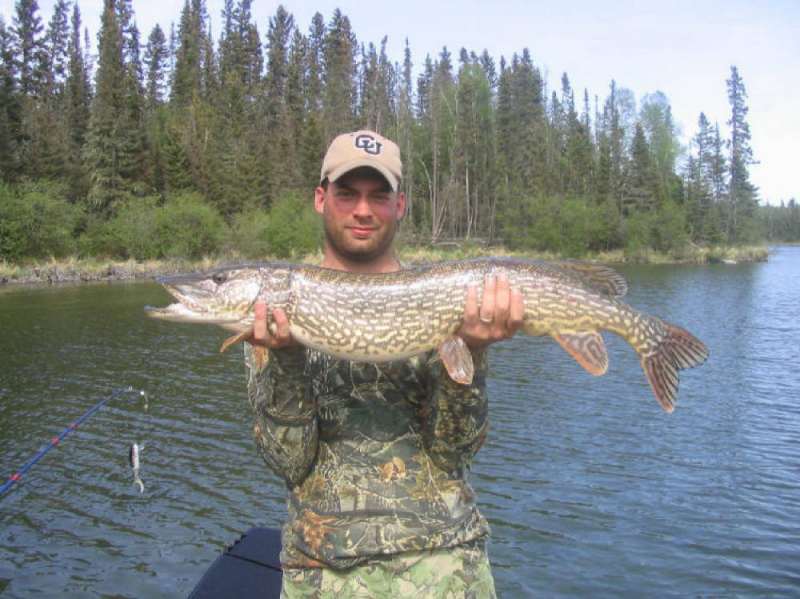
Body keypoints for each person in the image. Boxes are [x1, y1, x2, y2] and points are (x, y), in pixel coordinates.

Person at [244, 130, 524, 597]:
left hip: (447, 568)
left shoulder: (446, 298)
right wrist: (287, 358)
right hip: (324, 575)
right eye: (347, 193)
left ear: (401, 205)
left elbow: (455, 453)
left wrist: (470, 352)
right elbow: (289, 463)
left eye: (379, 196)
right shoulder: (272, 312)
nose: (362, 210)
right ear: (320, 198)